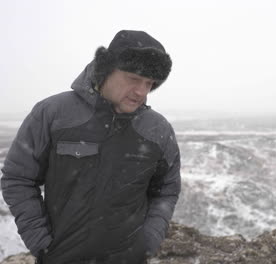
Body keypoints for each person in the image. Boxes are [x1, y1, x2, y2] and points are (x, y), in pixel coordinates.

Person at [1, 30, 181, 264]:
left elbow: (166, 189)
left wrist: (148, 241)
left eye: (149, 83)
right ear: (106, 69)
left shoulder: (157, 129)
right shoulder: (53, 114)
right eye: (134, 78)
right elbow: (18, 178)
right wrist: (41, 242)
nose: (141, 91)